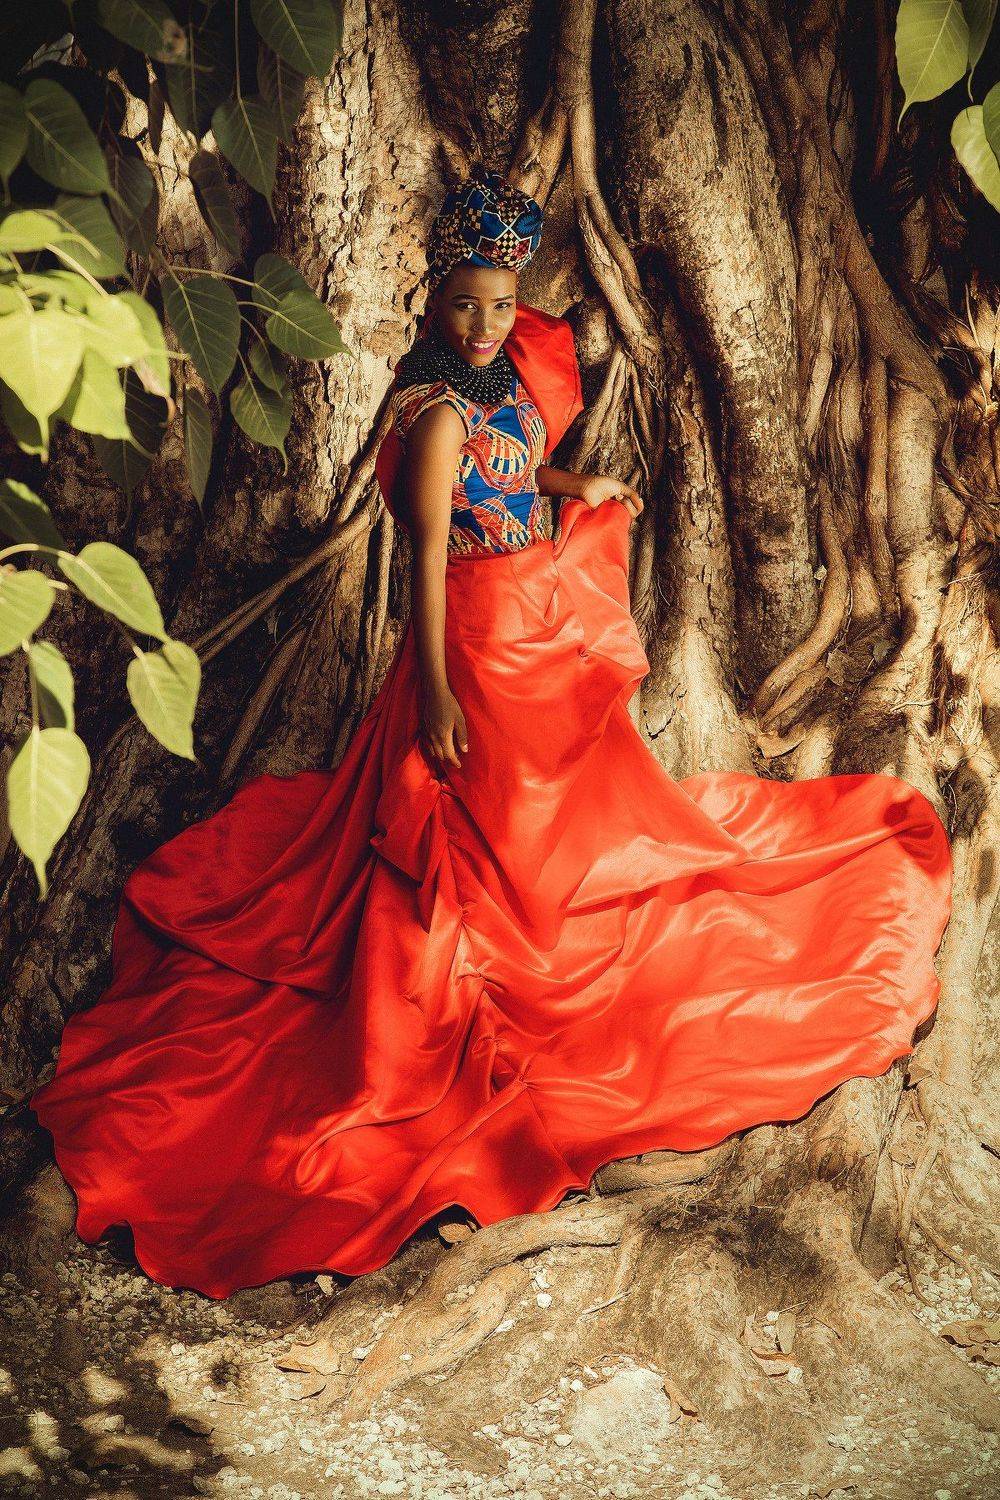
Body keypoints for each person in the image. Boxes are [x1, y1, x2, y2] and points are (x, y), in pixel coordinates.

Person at [29, 167, 954, 1302]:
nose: (483, 322)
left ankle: (544, 930)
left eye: (501, 304)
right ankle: (498, 973)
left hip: (533, 614)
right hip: (470, 633)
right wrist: (433, 692)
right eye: (465, 303)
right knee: (469, 824)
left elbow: (512, 472)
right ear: (432, 297)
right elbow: (425, 556)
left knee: (557, 806)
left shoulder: (502, 379)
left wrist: (578, 481)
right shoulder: (432, 413)